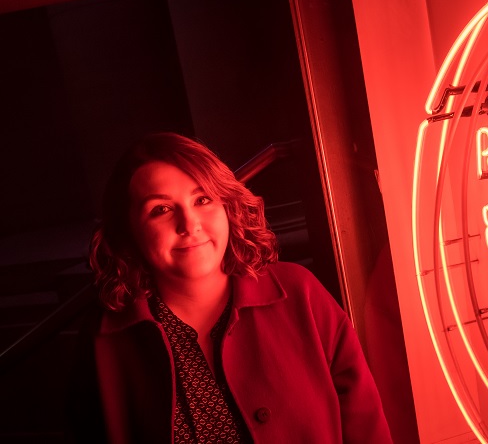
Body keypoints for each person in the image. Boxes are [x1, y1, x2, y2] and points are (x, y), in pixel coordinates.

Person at [71, 132, 393, 443]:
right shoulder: (103, 338)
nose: (189, 224)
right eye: (161, 210)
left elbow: (366, 426)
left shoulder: (300, 292)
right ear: (129, 232)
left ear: (227, 206)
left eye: (202, 199)